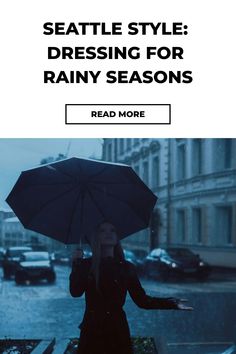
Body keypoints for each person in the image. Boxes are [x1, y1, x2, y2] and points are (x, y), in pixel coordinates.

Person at [69, 222, 193, 354]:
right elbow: (75, 292)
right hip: (92, 331)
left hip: (117, 331)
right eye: (102, 230)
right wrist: (76, 265)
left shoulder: (126, 267)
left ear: (117, 237)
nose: (108, 233)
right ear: (96, 237)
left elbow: (142, 300)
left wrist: (171, 303)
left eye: (112, 230)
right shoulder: (86, 265)